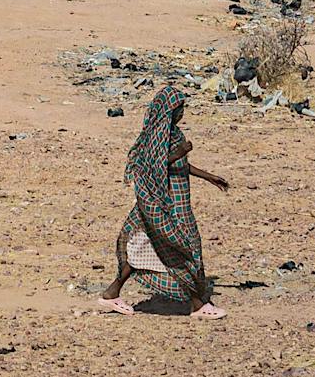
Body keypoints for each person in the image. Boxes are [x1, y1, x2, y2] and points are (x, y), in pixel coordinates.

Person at [97, 85, 227, 319]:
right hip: (158, 203)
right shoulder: (156, 135)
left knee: (143, 247)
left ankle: (112, 292)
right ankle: (197, 305)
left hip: (174, 201)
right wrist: (179, 152)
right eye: (179, 108)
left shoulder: (174, 133)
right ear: (169, 110)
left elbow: (179, 166)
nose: (182, 113)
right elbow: (151, 165)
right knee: (184, 247)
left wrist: (209, 177)